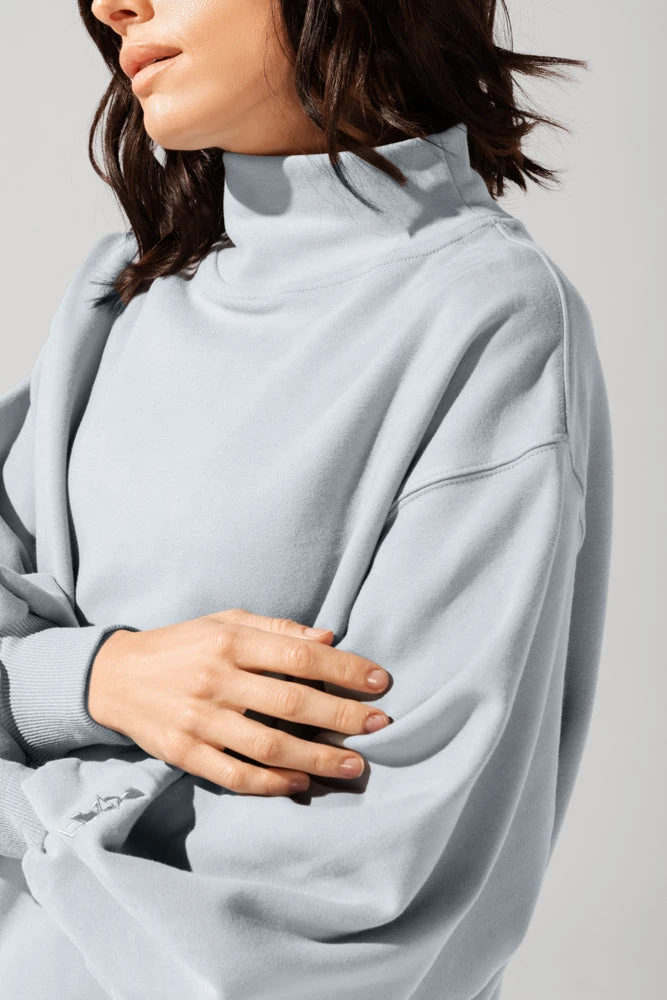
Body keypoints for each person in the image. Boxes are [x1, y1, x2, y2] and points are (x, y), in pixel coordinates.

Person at [0, 1, 613, 998]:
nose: (112, 4)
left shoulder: (486, 316)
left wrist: (31, 807)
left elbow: (366, 896)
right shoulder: (119, 293)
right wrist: (97, 678)